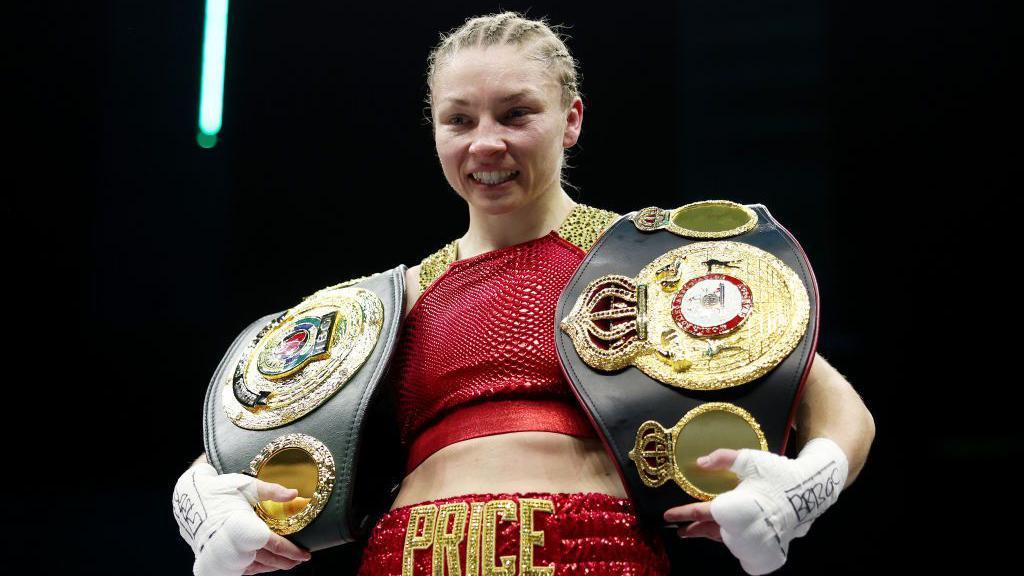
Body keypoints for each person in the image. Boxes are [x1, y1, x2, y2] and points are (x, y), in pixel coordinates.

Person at [173, 12, 876, 576]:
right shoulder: (394, 300)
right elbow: (236, 439)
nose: (486, 143)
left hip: (594, 553)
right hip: (410, 556)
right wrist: (202, 505)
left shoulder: (651, 264)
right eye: (460, 120)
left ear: (571, 119)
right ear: (436, 131)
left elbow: (836, 407)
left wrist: (801, 488)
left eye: (515, 114)